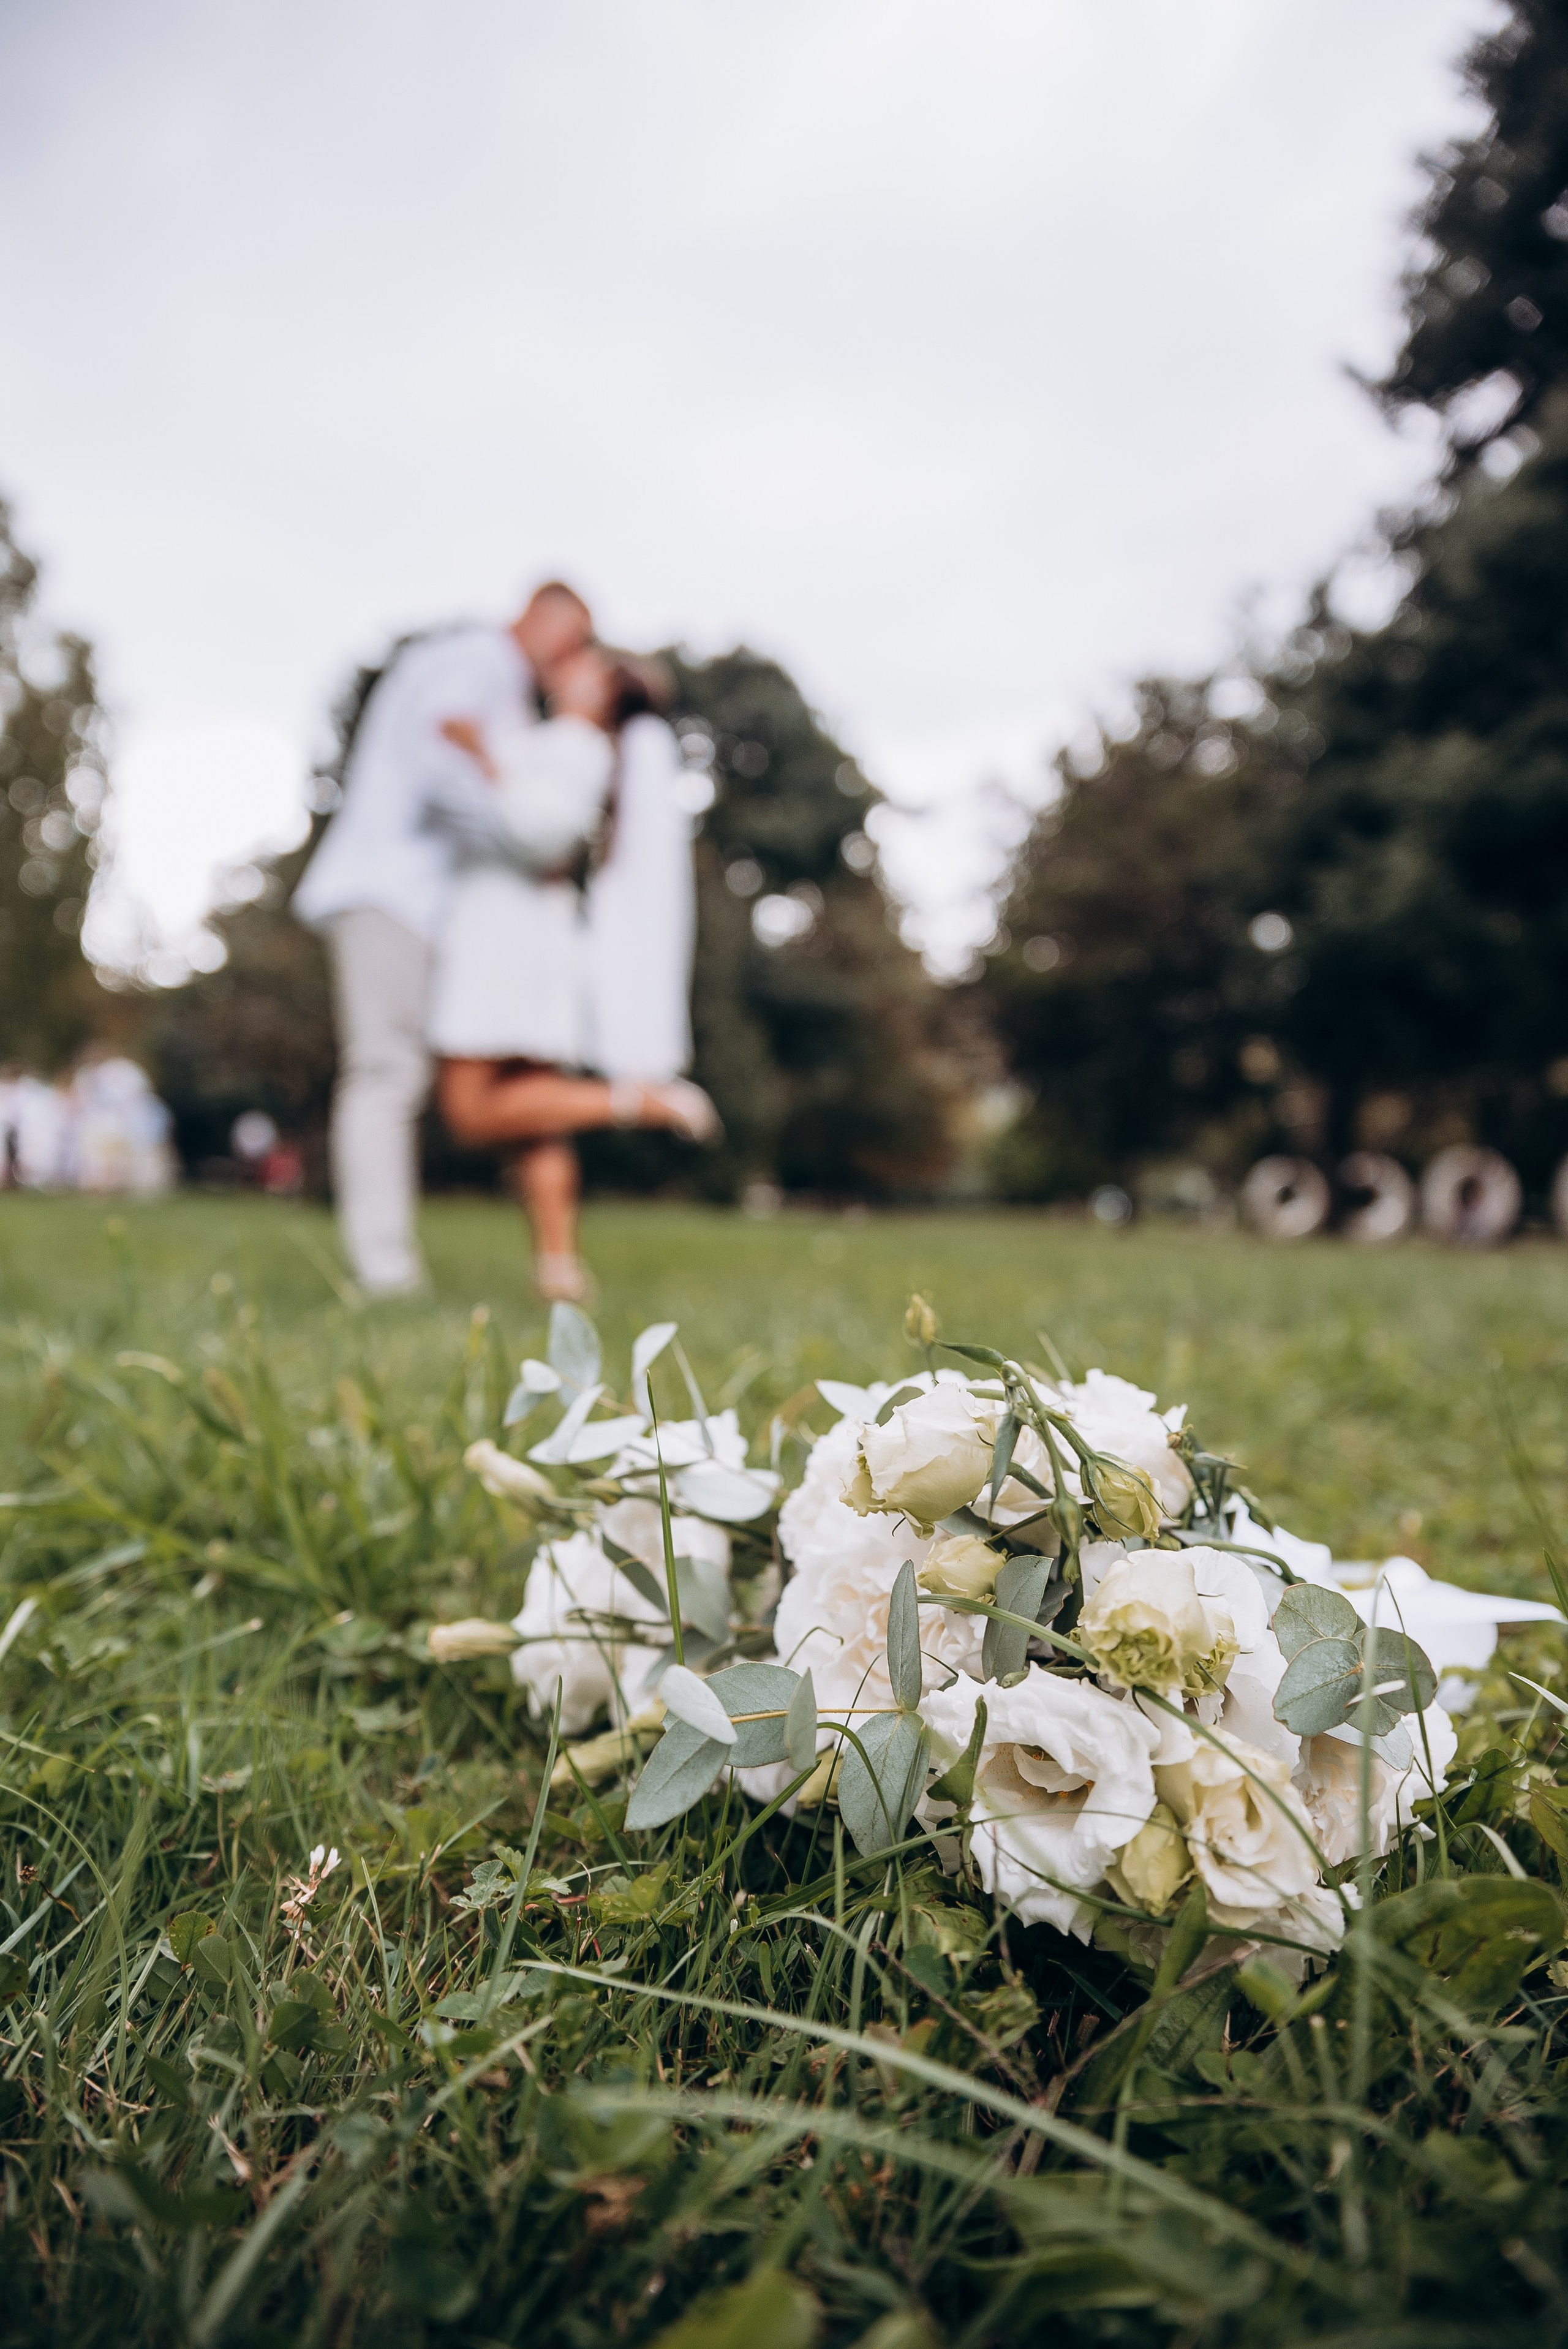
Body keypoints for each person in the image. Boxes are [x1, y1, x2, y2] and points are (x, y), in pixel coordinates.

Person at [293, 582, 594, 1294]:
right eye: (571, 642)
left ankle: (391, 1260)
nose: (568, 661)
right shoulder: (479, 662)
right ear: (544, 621)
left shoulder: (484, 673)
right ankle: (385, 1269)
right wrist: (524, 839)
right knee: (384, 1071)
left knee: (396, 1073)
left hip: (412, 902)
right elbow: (442, 764)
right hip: (389, 891)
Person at [429, 639, 718, 1300]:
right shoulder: (573, 745)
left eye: (587, 664)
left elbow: (538, 833)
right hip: (529, 939)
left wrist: (477, 755)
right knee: (535, 1116)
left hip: (505, 941)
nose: (570, 666)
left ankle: (640, 1102)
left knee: (472, 1110)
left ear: (602, 691)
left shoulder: (575, 744)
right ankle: (558, 1268)